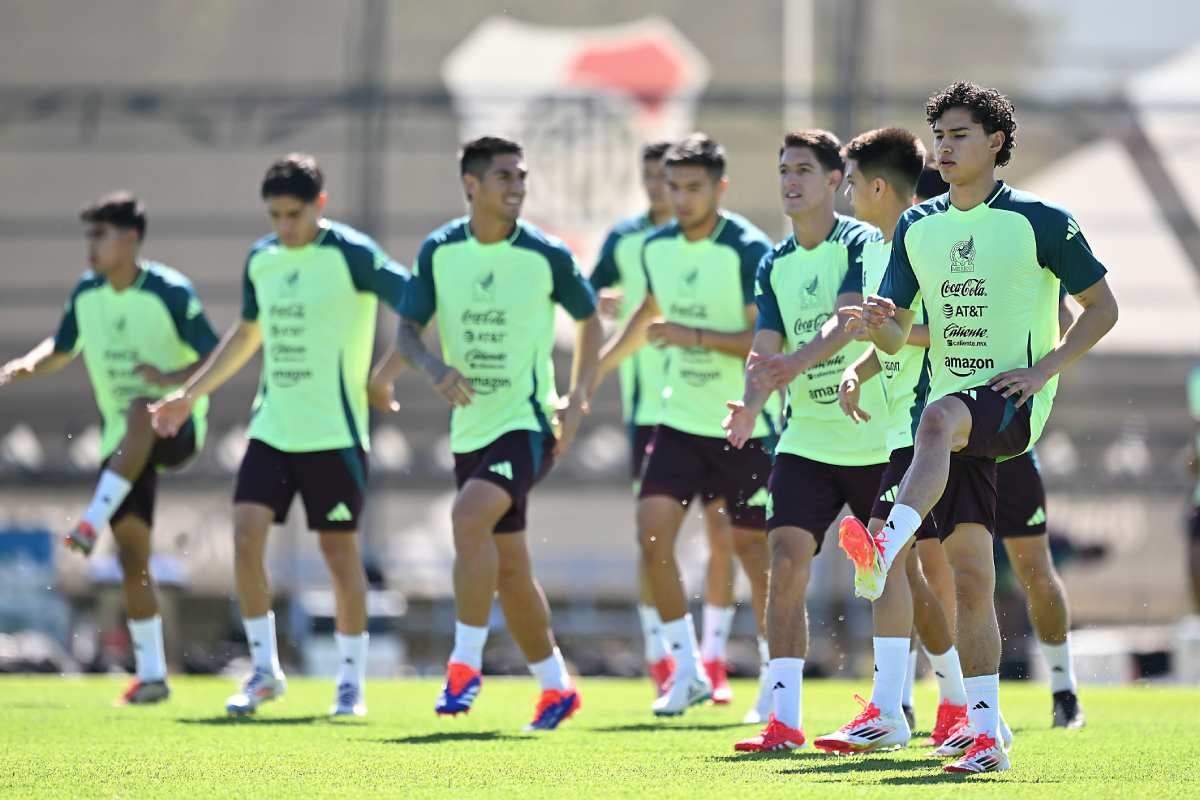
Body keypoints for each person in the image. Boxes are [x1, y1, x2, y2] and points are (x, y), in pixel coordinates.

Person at [844, 81, 1118, 774]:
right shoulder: (918, 226)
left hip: (1009, 402)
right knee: (971, 576)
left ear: (995, 143)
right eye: (939, 134)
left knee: (937, 419)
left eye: (959, 134)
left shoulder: (1040, 219)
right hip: (954, 417)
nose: (944, 145)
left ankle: (885, 542)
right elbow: (900, 335)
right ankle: (987, 733)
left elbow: (1102, 308)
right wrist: (880, 331)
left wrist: (1043, 370)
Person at [151, 154, 410, 718]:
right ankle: (265, 672)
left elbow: (419, 301)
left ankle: (350, 683)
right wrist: (191, 393)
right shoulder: (262, 259)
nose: (284, 227)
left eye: (294, 214)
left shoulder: (353, 255)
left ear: (320, 204)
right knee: (246, 535)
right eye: (274, 215)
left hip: (335, 433)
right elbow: (246, 336)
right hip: (273, 427)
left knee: (340, 556)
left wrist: (387, 372)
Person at [369, 136, 601, 731]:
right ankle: (556, 688)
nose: (517, 186)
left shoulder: (546, 254)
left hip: (526, 426)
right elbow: (409, 334)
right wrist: (433, 369)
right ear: (472, 185)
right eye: (504, 176)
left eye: (521, 176)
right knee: (511, 569)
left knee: (468, 519)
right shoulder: (440, 250)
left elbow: (590, 319)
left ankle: (463, 666)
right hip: (469, 431)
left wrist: (578, 399)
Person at [0, 191, 218, 706]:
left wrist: (171, 382)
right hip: (124, 447)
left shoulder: (169, 291)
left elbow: (215, 357)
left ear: (131, 239)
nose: (91, 245)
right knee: (132, 556)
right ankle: (151, 674)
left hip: (175, 428)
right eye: (89, 234)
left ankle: (90, 519)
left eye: (101, 234)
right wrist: (29, 363)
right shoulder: (86, 293)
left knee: (143, 406)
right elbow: (62, 346)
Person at [592, 133, 777, 717]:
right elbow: (647, 315)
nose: (681, 197)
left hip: (743, 423)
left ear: (719, 188)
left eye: (694, 187)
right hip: (677, 420)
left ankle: (776, 677)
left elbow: (765, 339)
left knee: (751, 550)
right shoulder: (655, 248)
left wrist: (694, 336)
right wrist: (587, 381)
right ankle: (685, 669)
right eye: (674, 186)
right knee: (652, 535)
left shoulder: (748, 248)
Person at [725, 130, 889, 752]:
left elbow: (849, 319)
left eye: (802, 170)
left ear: (832, 180)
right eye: (783, 170)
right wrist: (751, 405)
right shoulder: (774, 262)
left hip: (873, 437)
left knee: (901, 574)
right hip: (807, 442)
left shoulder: (859, 239)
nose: (790, 181)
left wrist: (794, 364)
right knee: (786, 564)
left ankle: (953, 699)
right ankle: (784, 720)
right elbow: (764, 349)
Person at [813, 127, 965, 754]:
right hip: (897, 427)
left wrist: (885, 333)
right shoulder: (879, 248)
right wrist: (861, 364)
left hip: (925, 427)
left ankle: (888, 712)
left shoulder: (930, 238)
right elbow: (897, 337)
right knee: (901, 569)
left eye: (849, 182)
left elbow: (949, 330)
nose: (845, 194)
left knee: (880, 558)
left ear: (877, 187)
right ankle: (959, 705)